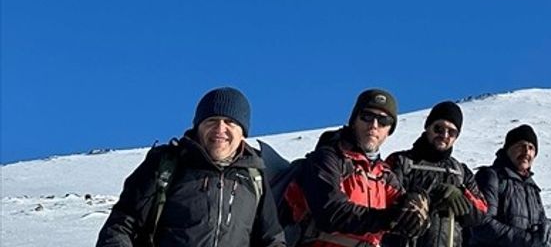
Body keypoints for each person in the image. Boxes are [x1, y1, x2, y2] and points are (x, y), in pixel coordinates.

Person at [96, 87, 287, 247]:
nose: (220, 129)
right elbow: (120, 226)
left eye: (230, 122)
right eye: (212, 120)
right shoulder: (167, 165)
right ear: (198, 127)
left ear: (242, 133)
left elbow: (271, 239)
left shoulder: (254, 178)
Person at [282, 89, 430, 247]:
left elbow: (404, 207)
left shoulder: (384, 175)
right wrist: (387, 219)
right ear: (354, 120)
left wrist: (418, 202)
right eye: (367, 116)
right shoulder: (328, 158)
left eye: (383, 121)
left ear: (389, 130)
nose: (374, 125)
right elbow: (331, 212)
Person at [386, 101, 488, 247]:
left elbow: (481, 212)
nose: (444, 135)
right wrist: (422, 198)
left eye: (451, 132)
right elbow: (383, 200)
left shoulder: (461, 172)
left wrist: (460, 195)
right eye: (439, 128)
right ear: (428, 126)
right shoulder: (400, 162)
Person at [471, 124, 551, 247]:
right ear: (508, 149)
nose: (527, 151)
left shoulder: (532, 187)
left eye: (531, 148)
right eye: (521, 146)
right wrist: (529, 241)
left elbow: (541, 220)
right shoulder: (491, 177)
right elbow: (482, 224)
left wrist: (550, 228)